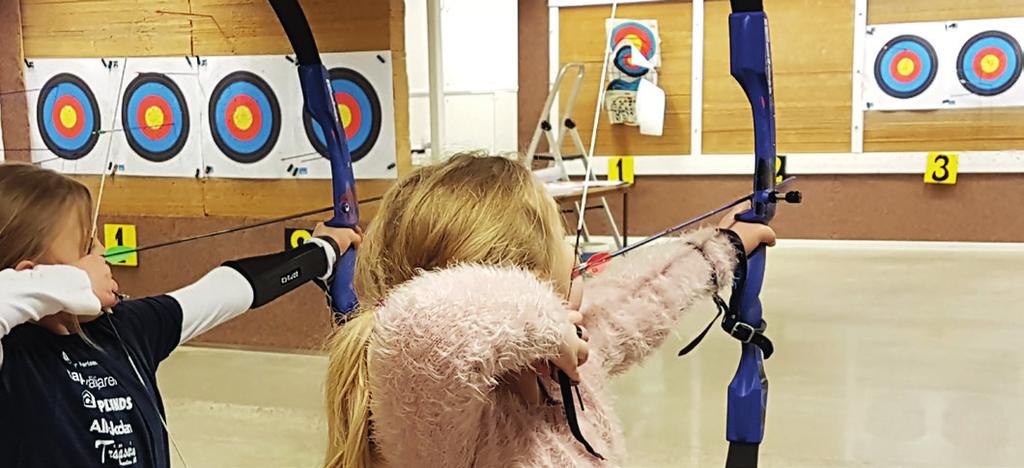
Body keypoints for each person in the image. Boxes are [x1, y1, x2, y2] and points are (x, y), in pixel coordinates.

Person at [323, 154, 776, 467]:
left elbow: (641, 300)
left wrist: (723, 248)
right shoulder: (437, 420)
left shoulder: (560, 359)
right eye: (557, 236)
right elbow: (425, 326)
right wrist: (548, 326)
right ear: (518, 275)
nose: (571, 246)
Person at [0, 162, 361, 468]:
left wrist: (322, 251)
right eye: (85, 247)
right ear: (34, 274)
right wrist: (72, 284)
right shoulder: (12, 362)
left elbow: (229, 290)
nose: (103, 252)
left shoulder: (122, 328)